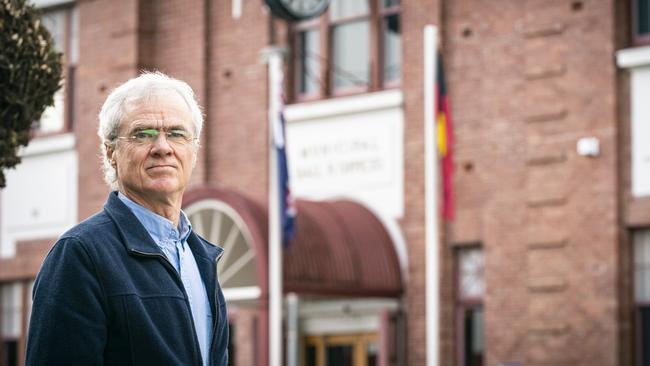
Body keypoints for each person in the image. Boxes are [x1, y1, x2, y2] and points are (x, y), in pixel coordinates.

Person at [26, 72, 229, 366]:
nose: (162, 147)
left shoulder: (202, 259)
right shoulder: (81, 254)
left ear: (193, 151)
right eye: (143, 134)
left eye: (176, 133)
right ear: (111, 152)